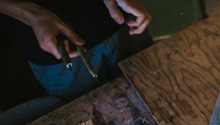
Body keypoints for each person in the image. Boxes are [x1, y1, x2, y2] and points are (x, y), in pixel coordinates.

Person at [0, 0, 152, 101]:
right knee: (88, 116)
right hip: (55, 44)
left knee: (151, 87)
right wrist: (33, 14)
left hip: (121, 17)